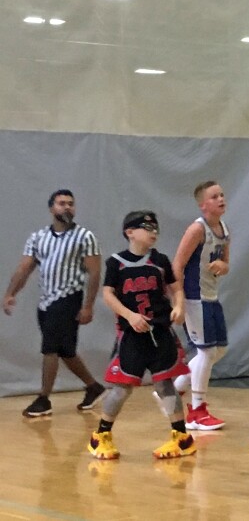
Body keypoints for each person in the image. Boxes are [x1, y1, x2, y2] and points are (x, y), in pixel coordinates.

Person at [88, 211, 196, 460]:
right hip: (132, 335)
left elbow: (175, 288)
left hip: (161, 332)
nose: (153, 232)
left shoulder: (160, 260)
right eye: (147, 228)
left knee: (165, 385)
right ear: (130, 232)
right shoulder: (116, 262)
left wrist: (179, 306)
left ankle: (181, 438)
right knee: (121, 389)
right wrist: (129, 315)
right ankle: (101, 436)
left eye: (156, 228)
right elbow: (107, 295)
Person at [3, 189, 105, 417]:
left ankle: (43, 399)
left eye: (71, 203)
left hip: (69, 298)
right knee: (66, 351)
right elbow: (25, 268)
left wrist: (88, 305)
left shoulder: (84, 237)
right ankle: (93, 387)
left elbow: (95, 273)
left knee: (50, 348)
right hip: (46, 302)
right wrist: (11, 293)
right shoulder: (38, 237)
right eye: (61, 203)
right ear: (52, 208)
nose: (67, 207)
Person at [172, 181, 231, 430]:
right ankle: (197, 411)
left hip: (211, 296)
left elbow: (226, 262)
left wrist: (223, 267)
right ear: (203, 205)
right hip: (194, 297)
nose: (221, 198)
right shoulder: (197, 229)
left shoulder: (224, 229)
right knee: (206, 352)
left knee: (219, 350)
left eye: (222, 194)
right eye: (214, 196)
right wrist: (178, 301)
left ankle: (173, 389)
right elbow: (176, 265)